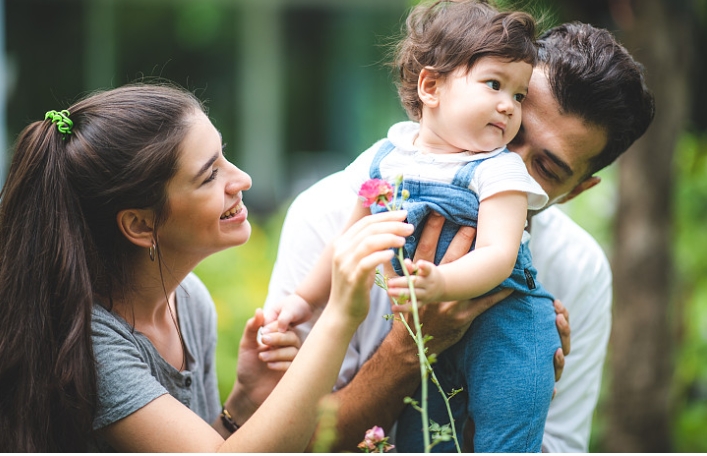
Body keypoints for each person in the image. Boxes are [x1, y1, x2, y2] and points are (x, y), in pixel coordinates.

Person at [263, 17, 654, 455]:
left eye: (545, 168)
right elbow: (289, 443)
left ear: (574, 192)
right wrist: (408, 348)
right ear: (439, 89)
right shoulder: (333, 211)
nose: (503, 160)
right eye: (512, 127)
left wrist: (503, 396)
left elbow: (559, 445)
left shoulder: (578, 266)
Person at [0, 82, 416, 452]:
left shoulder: (187, 300)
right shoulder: (91, 346)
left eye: (224, 156)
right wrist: (340, 316)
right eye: (209, 176)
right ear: (141, 224)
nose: (243, 179)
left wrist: (244, 399)